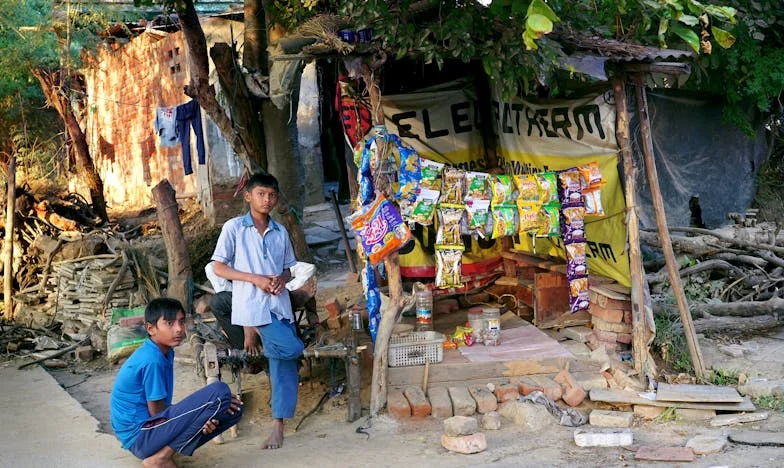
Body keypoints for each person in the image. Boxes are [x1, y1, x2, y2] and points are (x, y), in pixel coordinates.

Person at [211, 173, 304, 450]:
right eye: (261, 194)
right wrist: (255, 279)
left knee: (282, 361)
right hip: (252, 305)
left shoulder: (280, 232)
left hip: (279, 305)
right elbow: (218, 267)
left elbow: (288, 269)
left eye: (272, 195)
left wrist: (281, 280)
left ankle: (278, 426)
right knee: (292, 349)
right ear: (248, 196)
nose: (267, 200)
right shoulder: (234, 228)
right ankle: (256, 335)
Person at [110, 297, 243, 467]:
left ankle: (163, 453)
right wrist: (198, 418)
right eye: (169, 323)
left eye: (181, 321)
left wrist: (202, 417)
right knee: (220, 391)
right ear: (151, 329)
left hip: (147, 432)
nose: (179, 329)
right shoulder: (152, 359)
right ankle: (160, 458)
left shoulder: (165, 351)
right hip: (140, 436)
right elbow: (156, 413)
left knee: (234, 409)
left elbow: (163, 412)